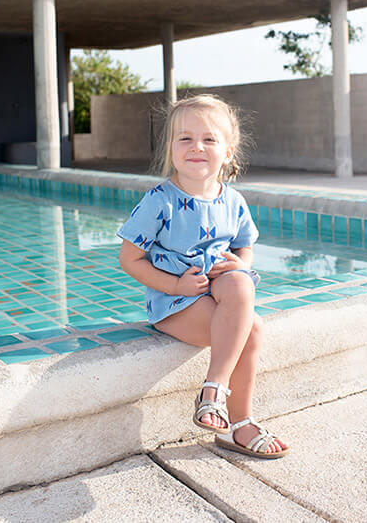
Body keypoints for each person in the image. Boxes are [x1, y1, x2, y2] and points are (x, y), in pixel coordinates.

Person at [117, 94, 288, 458]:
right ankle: (236, 421)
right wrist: (175, 285)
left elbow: (245, 248)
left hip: (219, 295)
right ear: (171, 148)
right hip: (176, 303)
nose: (197, 147)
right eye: (185, 138)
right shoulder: (159, 201)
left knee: (241, 279)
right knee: (252, 329)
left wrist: (240, 264)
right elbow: (130, 259)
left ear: (228, 151)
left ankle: (217, 393)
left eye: (209, 139)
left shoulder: (233, 201)